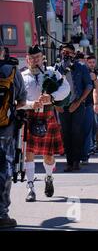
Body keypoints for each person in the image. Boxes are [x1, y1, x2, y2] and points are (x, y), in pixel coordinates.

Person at [20, 45, 70, 202]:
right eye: (32, 58)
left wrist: (52, 97)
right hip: (29, 116)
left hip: (47, 115)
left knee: (48, 156)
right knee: (28, 154)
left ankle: (49, 177)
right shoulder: (22, 76)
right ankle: (30, 187)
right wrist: (30, 104)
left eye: (38, 57)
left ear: (42, 57)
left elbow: (66, 89)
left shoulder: (51, 72)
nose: (35, 61)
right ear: (27, 59)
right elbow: (17, 99)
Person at [0, 46, 27, 229]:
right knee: (4, 170)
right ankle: (2, 214)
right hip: (5, 130)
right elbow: (23, 100)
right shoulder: (12, 70)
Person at [56, 44, 93, 172]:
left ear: (73, 54)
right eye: (63, 52)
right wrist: (56, 105)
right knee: (65, 134)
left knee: (76, 132)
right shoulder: (57, 67)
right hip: (62, 106)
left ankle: (77, 161)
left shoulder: (81, 67)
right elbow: (52, 88)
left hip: (77, 105)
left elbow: (89, 86)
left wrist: (78, 102)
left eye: (68, 52)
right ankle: (69, 162)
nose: (65, 54)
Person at [81, 55, 98, 164]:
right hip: (80, 104)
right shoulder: (83, 72)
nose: (92, 64)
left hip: (89, 104)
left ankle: (86, 153)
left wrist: (95, 78)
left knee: (90, 129)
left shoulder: (94, 73)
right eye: (90, 62)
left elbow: (97, 88)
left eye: (93, 62)